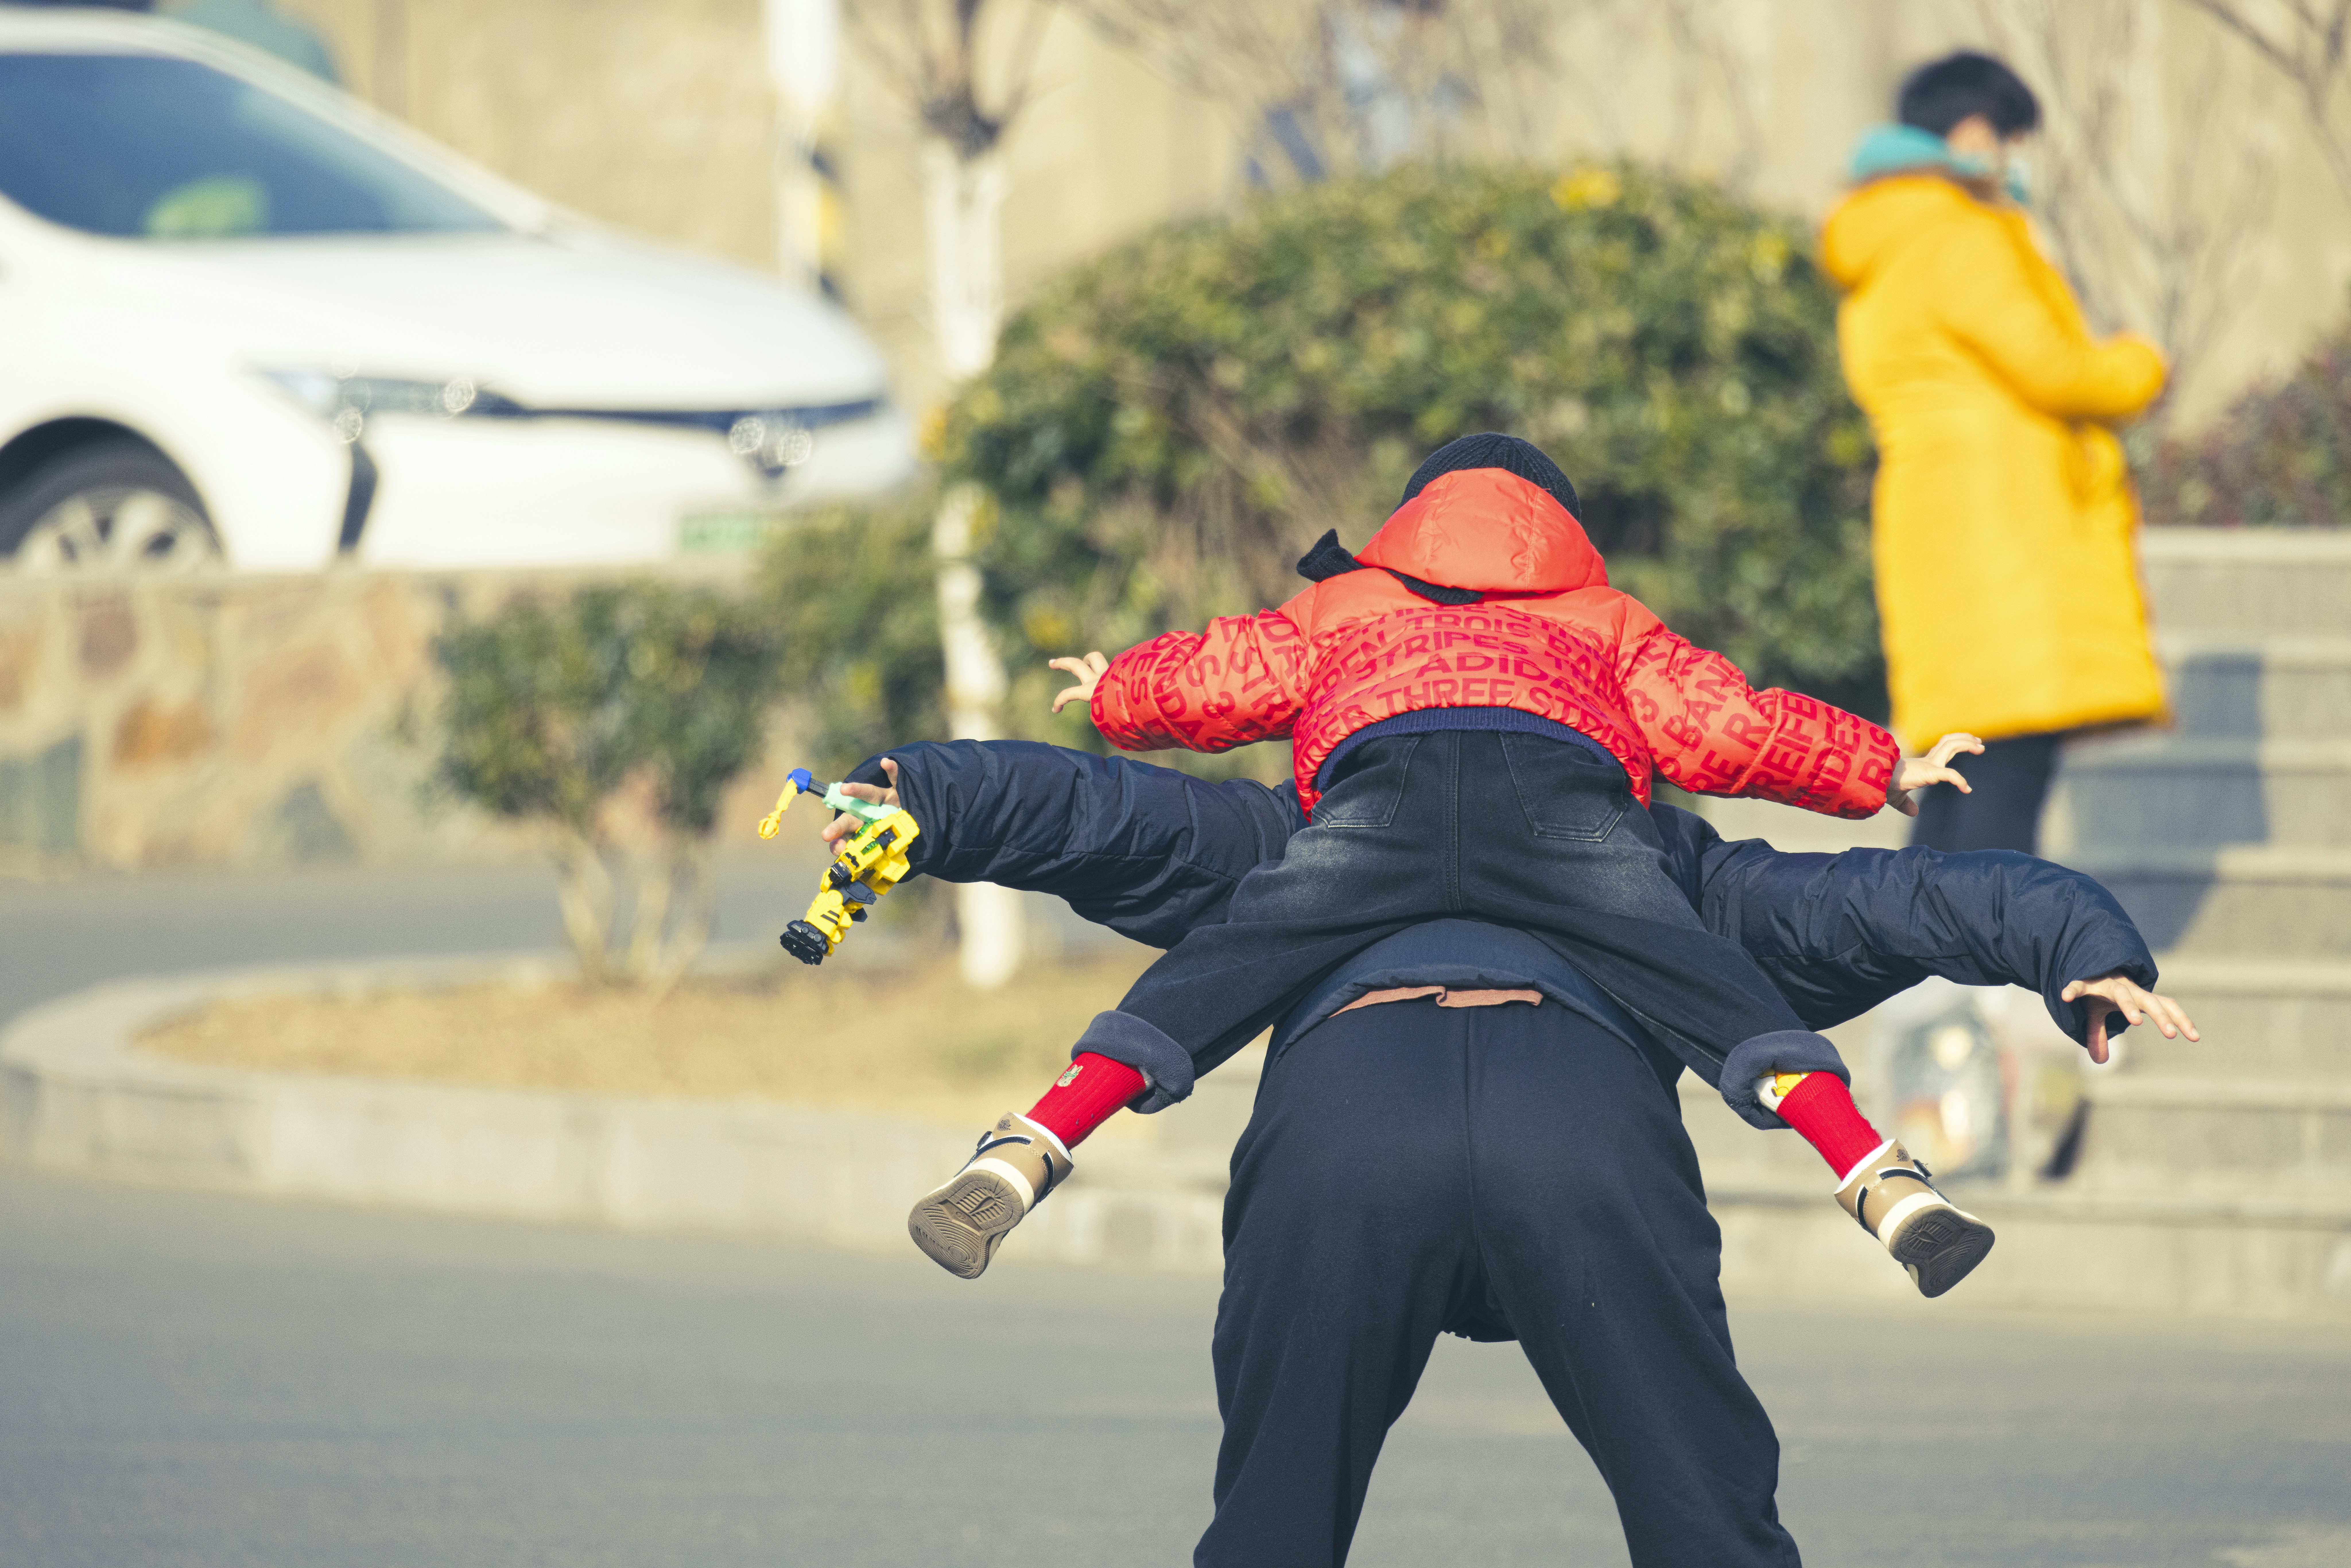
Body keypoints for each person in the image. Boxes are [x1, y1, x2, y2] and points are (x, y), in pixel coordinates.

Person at [818, 737, 2194, 1566]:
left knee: (1276, 1517)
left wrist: (916, 791)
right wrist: (2075, 943)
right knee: (1704, 1513)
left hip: (1343, 1135)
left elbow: (1095, 808)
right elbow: (1898, 899)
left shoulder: (1304, 831)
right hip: (1579, 1137)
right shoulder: (1661, 860)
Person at [905, 433, 2001, 1292]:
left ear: (1412, 519)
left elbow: (1225, 679)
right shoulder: (1605, 617)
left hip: (1384, 793)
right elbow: (1727, 725)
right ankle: (1882, 1180)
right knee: (1694, 970)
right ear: (1561, 527)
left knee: (1233, 956)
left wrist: (1115, 693)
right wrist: (1882, 769)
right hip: (1559, 799)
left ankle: (1028, 1148)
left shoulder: (1348, 600)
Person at [1825, 51, 2169, 855]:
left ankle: (1916, 938)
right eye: (2012, 140)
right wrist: (2142, 364)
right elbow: (2055, 367)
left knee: (1960, 767)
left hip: (1938, 518)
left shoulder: (1888, 238)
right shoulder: (1960, 234)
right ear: (1977, 134)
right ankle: (1982, 941)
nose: (2015, 161)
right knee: (2007, 764)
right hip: (2008, 527)